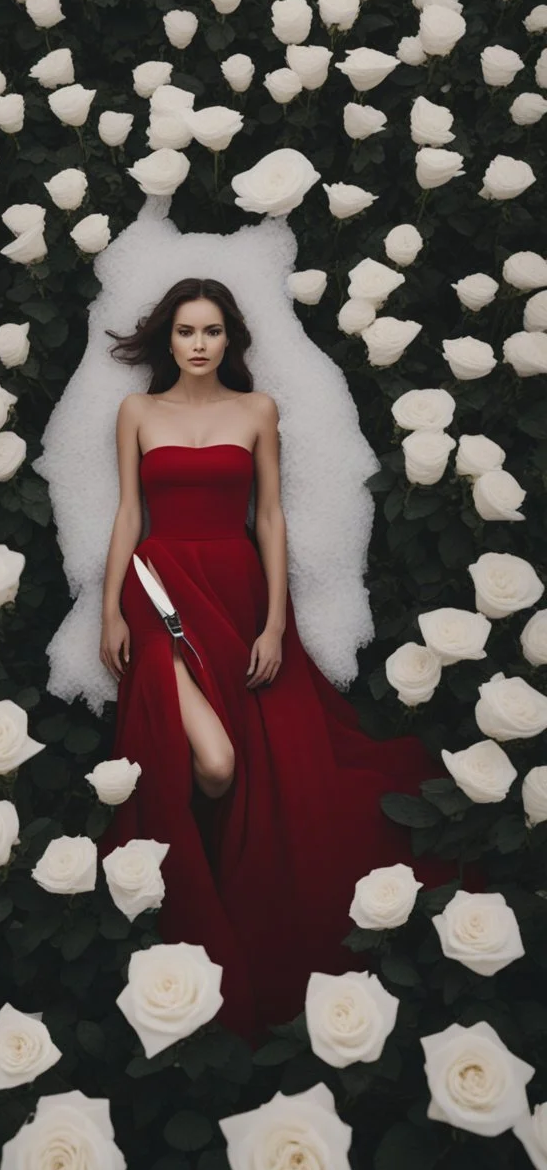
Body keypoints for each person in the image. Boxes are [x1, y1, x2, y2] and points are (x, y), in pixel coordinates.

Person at [97, 276, 472, 1046]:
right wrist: (108, 610)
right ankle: (201, 865)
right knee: (219, 764)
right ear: (166, 341)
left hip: (238, 591)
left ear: (229, 338)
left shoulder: (257, 410)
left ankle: (240, 874)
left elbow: (268, 515)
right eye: (184, 332)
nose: (198, 344)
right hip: (161, 586)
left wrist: (275, 622)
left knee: (281, 768)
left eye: (210, 331)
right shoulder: (136, 412)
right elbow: (129, 513)